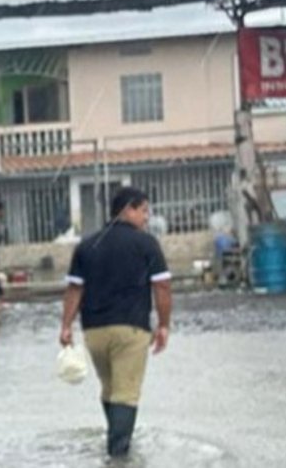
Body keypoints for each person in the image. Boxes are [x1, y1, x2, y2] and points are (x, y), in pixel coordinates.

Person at [60, 187, 173, 458]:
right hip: (131, 330)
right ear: (128, 209)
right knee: (126, 393)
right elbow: (163, 287)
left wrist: (66, 326)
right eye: (144, 210)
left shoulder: (87, 245)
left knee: (110, 389)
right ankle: (119, 456)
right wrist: (164, 325)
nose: (146, 218)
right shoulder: (146, 244)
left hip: (94, 332)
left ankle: (115, 441)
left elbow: (75, 290)